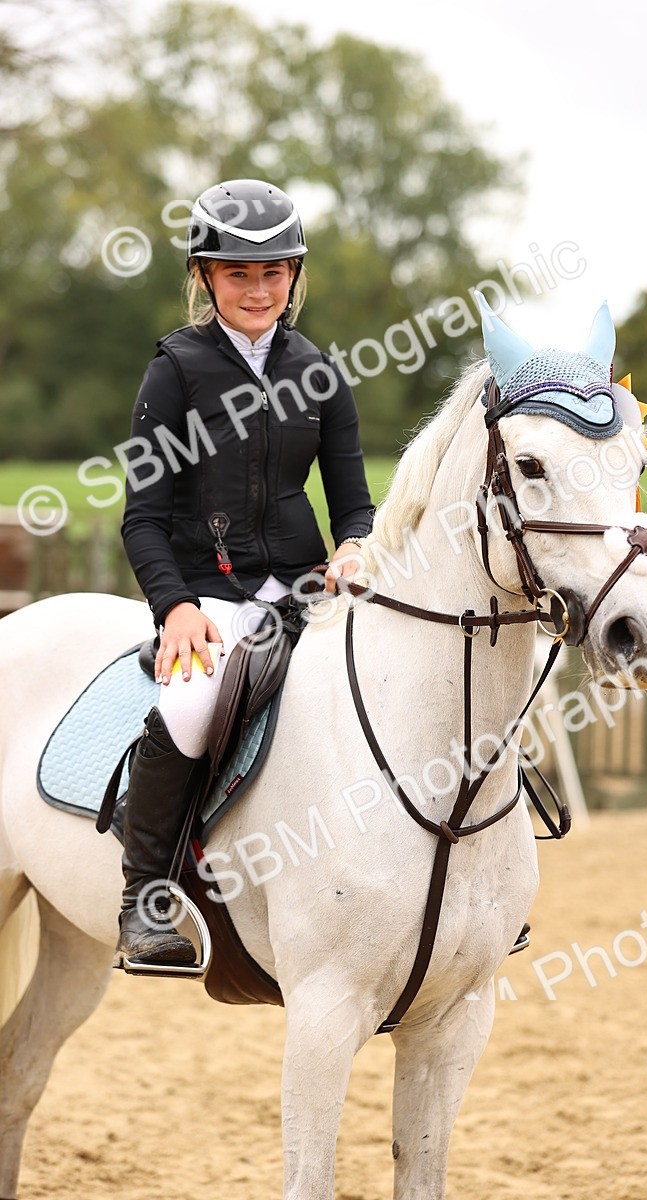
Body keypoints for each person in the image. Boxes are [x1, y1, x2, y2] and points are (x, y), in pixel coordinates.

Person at [115, 179, 374, 967]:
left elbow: (354, 505)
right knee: (193, 706)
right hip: (211, 597)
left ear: (295, 274)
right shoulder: (176, 370)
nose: (258, 290)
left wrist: (354, 546)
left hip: (306, 592)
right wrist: (175, 608)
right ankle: (145, 901)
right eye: (238, 274)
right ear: (204, 275)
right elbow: (142, 518)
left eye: (274, 272)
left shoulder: (320, 372)